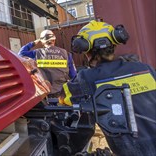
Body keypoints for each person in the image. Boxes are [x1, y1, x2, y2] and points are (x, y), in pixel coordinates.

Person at [60, 20, 156, 156]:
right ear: (115, 43)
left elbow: (63, 99)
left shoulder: (85, 79)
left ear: (85, 50)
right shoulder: (145, 69)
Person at [18, 29, 77, 97]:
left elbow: (21, 53)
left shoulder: (37, 53)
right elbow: (73, 75)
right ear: (54, 40)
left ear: (42, 42)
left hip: (45, 93)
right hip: (62, 92)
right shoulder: (66, 53)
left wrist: (34, 42)